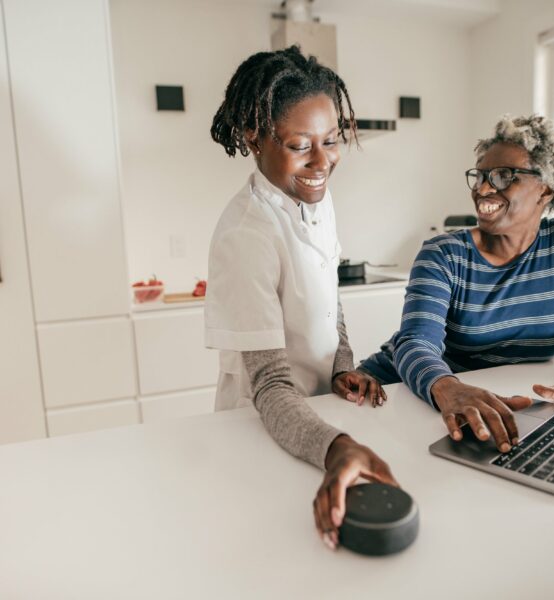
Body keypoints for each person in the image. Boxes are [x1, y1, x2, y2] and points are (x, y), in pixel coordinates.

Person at [205, 46, 398, 550]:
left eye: (332, 140)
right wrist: (338, 450)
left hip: (315, 417)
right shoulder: (246, 234)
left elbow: (329, 296)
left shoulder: (314, 195)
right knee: (272, 547)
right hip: (264, 422)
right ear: (253, 137)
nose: (322, 161)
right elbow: (269, 384)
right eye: (299, 144)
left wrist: (341, 367)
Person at [360, 114, 554, 451]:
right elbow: (415, 342)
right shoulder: (444, 254)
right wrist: (448, 387)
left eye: (504, 176)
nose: (484, 189)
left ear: (545, 189)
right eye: (480, 175)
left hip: (490, 402)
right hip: (401, 392)